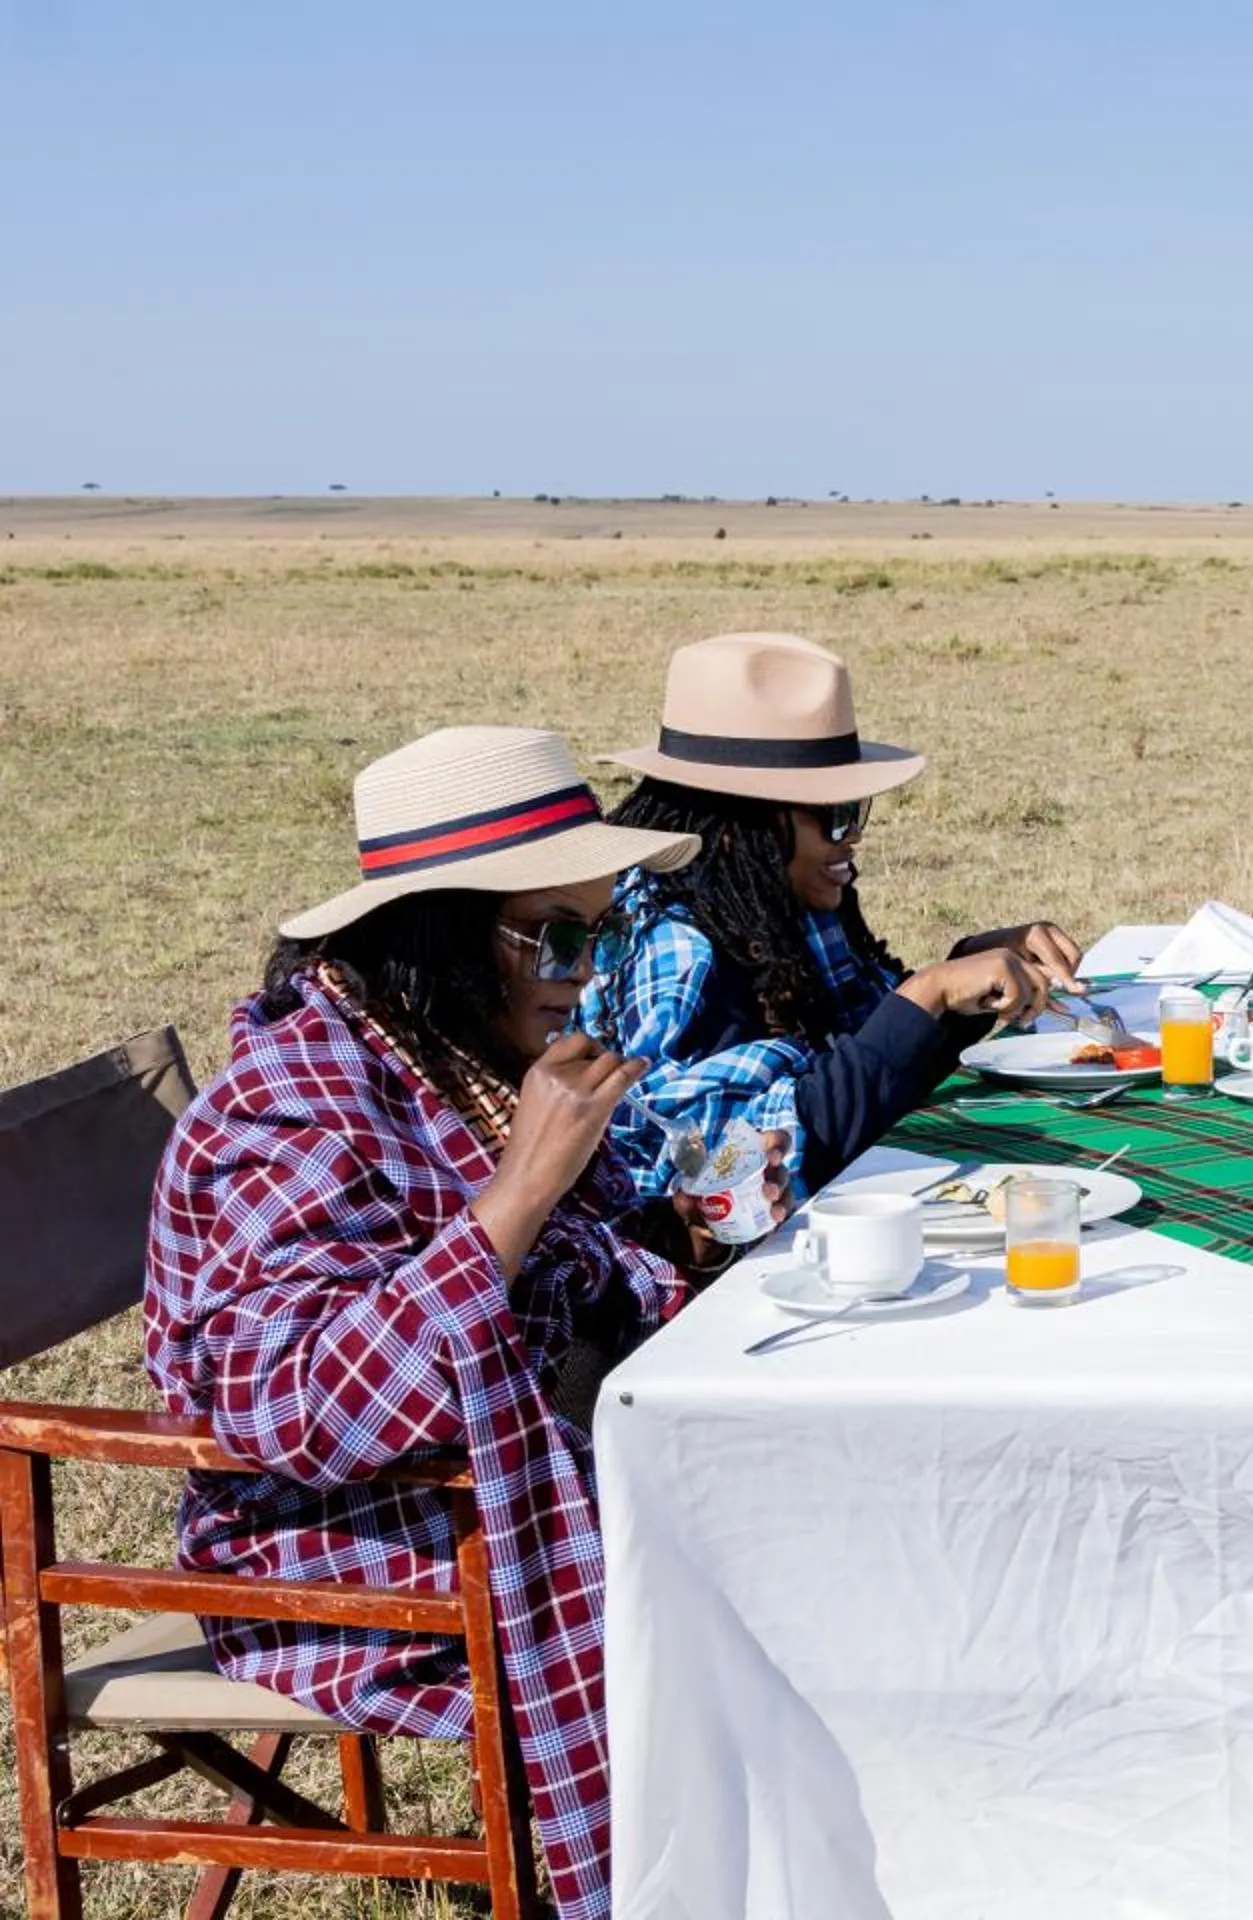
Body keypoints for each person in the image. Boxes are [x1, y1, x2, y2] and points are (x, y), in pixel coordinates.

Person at [146, 726, 779, 1918]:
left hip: (499, 1489)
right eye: (556, 934)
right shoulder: (290, 1112)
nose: (587, 974)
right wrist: (520, 1194)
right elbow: (299, 1413)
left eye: (605, 931)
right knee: (752, 1596)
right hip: (358, 1559)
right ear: (431, 939)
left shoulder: (452, 1056)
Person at [583, 632, 1082, 1196]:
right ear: (742, 829)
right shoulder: (676, 948)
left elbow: (873, 1077)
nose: (855, 837)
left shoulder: (781, 907)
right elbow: (734, 1162)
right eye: (835, 815)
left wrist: (973, 973)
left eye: (856, 810)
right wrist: (929, 992)